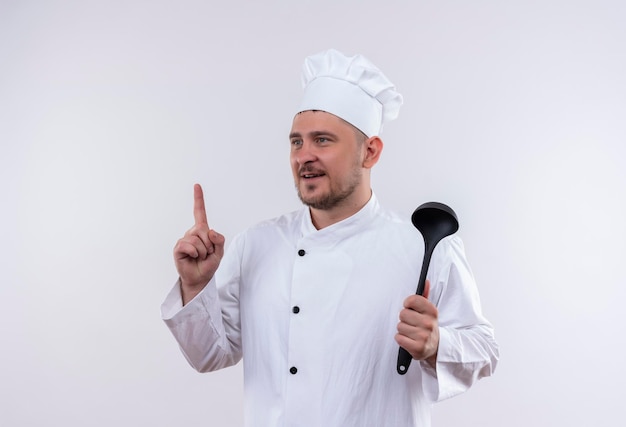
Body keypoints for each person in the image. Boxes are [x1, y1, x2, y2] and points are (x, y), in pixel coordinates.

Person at [161, 48, 499, 427]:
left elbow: (484, 349)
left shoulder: (424, 245)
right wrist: (195, 286)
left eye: (322, 140)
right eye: (296, 142)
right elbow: (208, 356)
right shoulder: (255, 245)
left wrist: (437, 346)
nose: (304, 156)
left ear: (369, 152)